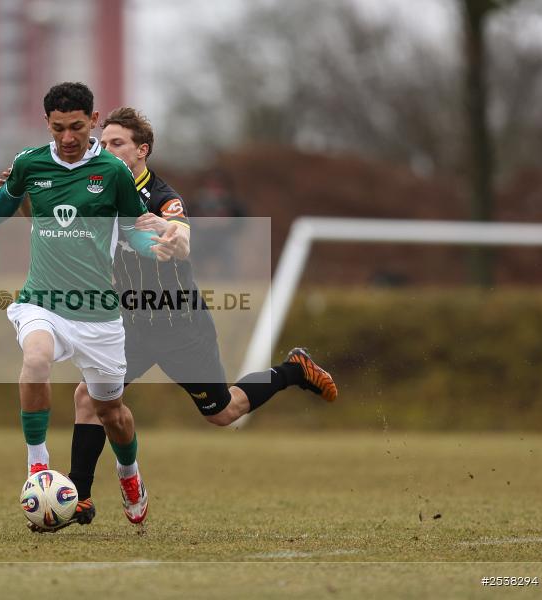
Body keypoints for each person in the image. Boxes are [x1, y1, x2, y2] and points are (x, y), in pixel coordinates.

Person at [60, 107, 339, 530]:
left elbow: (181, 233)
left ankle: (291, 370)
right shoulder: (95, 189)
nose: (108, 149)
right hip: (129, 326)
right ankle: (80, 497)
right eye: (105, 142)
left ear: (141, 151)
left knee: (223, 413)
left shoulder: (162, 196)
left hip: (180, 327)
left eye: (118, 143)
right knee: (88, 398)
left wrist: (171, 237)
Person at [0, 83, 178, 529]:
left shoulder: (113, 171)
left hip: (99, 314)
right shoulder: (30, 163)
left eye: (78, 127)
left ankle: (129, 475)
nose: (68, 137)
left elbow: (131, 229)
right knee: (37, 358)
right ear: (47, 123)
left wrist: (150, 247)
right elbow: (6, 199)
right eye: (59, 127)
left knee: (112, 413)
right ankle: (37, 465)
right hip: (42, 300)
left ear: (94, 120)